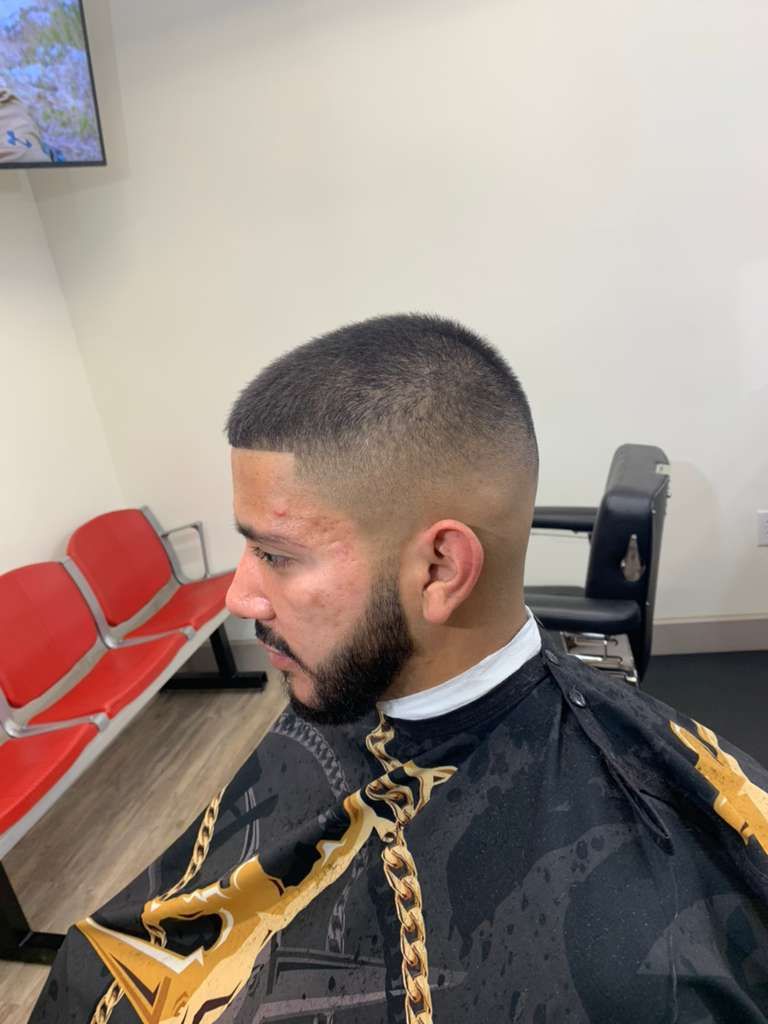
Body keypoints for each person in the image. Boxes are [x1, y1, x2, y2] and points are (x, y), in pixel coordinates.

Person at [30, 314, 768, 1024]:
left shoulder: (641, 968)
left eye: (278, 555)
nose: (240, 594)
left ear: (441, 568)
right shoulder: (351, 680)